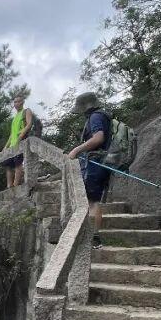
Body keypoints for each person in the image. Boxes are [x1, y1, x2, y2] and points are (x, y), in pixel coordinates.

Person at [65, 91, 112, 248]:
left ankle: (94, 238)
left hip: (96, 163)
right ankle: (94, 237)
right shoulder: (104, 115)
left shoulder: (96, 117)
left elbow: (98, 138)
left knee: (91, 202)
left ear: (86, 107)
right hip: (103, 162)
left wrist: (76, 150)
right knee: (94, 201)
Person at [1, 94, 35, 190]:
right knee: (8, 164)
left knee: (18, 164)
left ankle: (15, 186)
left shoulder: (26, 111)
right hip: (12, 144)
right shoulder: (15, 117)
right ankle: (9, 185)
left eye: (18, 101)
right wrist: (5, 146)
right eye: (15, 102)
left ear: (22, 102)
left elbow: (29, 125)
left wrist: (20, 137)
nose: (16, 104)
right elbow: (12, 134)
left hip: (21, 141)